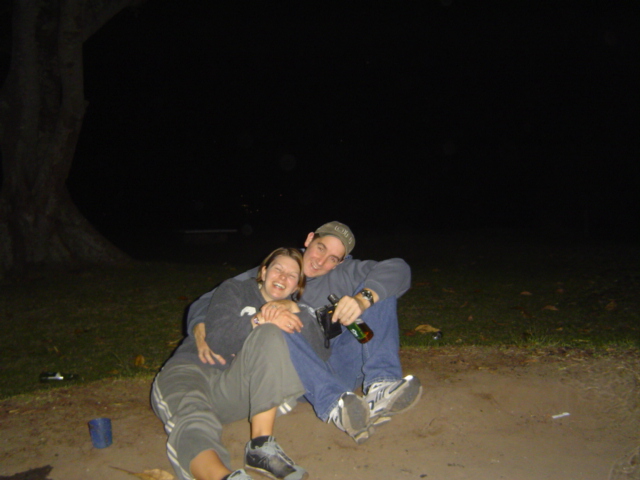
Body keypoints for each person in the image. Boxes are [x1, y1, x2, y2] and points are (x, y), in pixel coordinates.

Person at [189, 222, 420, 445]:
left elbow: (398, 268)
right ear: (310, 239)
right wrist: (199, 324)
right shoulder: (281, 268)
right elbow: (213, 298)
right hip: (302, 375)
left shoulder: (345, 273)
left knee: (379, 290)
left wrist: (362, 299)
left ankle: (381, 385)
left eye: (333, 258)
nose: (320, 261)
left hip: (342, 361)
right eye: (320, 248)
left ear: (341, 262)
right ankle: (334, 404)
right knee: (278, 322)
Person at [152, 247, 310, 480]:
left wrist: (293, 309)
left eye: (292, 275)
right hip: (191, 370)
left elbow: (317, 353)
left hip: (231, 389)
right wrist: (260, 319)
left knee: (270, 333)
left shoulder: (294, 314)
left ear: (297, 286)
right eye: (277, 269)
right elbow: (217, 339)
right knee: (194, 418)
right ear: (263, 272)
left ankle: (261, 448)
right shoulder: (235, 289)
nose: (283, 277)